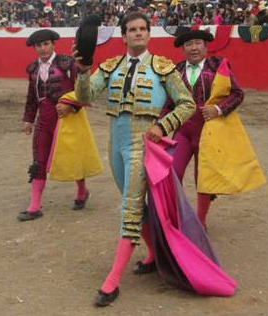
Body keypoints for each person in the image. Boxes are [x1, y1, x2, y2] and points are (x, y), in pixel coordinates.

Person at [72, 11, 196, 306]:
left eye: (142, 29)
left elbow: (187, 104)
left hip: (142, 143)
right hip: (116, 143)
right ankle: (153, 255)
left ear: (149, 34)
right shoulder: (110, 66)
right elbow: (84, 96)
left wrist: (162, 126)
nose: (138, 33)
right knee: (134, 205)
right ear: (124, 35)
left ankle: (112, 281)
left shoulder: (162, 67)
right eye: (132, 29)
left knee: (129, 209)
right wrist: (82, 70)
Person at [161, 30, 244, 230]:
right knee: (172, 172)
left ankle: (200, 220)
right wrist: (160, 126)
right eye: (189, 44)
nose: (194, 47)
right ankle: (177, 215)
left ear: (206, 47)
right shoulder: (175, 70)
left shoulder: (218, 66)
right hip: (183, 129)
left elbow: (237, 93)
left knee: (204, 178)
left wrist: (218, 109)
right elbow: (169, 102)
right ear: (183, 49)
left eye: (198, 43)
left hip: (209, 132)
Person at [18, 29, 90, 222]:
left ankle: (82, 191)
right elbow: (32, 97)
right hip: (44, 120)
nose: (43, 48)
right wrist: (28, 119)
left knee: (72, 156)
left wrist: (72, 106)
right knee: (39, 160)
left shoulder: (67, 63)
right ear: (34, 48)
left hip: (66, 118)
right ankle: (34, 206)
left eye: (46, 44)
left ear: (53, 44)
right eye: (39, 45)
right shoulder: (33, 69)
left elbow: (84, 88)